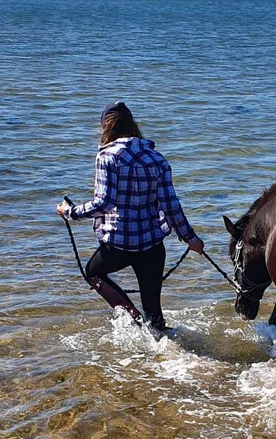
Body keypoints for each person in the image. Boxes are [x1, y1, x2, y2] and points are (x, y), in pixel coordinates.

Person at [57, 102, 204, 334]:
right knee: (154, 313)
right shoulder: (157, 158)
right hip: (152, 245)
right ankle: (159, 341)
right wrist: (191, 239)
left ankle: (133, 320)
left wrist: (70, 211)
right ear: (133, 125)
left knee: (93, 273)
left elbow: (104, 202)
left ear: (106, 127)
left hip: (119, 244)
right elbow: (171, 205)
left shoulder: (107, 157)